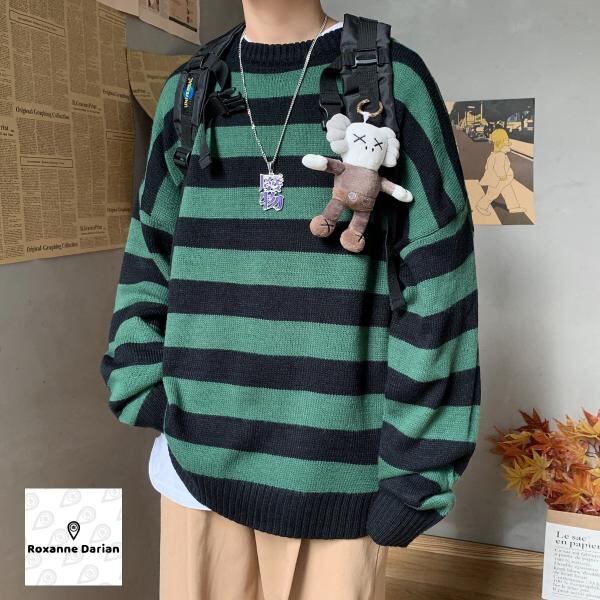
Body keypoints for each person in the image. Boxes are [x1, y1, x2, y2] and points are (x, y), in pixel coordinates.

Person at [99, 1, 481, 598]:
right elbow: (151, 249)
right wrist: (141, 381)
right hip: (193, 464)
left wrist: (417, 472)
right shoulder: (190, 90)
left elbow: (440, 282)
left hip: (337, 473)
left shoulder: (389, 81)